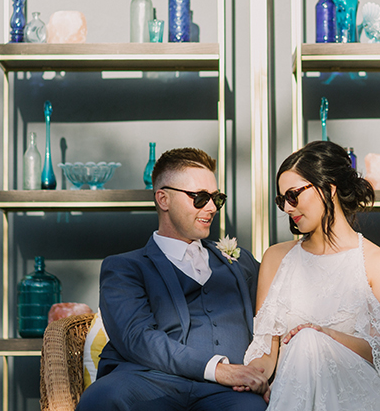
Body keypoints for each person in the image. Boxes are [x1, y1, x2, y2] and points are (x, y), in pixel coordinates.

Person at [76, 147, 268, 411]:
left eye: (216, 198)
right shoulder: (124, 267)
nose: (211, 208)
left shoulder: (239, 261)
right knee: (102, 399)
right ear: (163, 199)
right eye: (199, 198)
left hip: (229, 392)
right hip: (147, 381)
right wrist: (218, 369)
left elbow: (278, 308)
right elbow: (137, 338)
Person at [243, 140, 380, 410]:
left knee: (308, 339)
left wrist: (324, 334)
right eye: (281, 199)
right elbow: (265, 348)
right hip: (291, 387)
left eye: (293, 195)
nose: (287, 208)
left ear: (328, 189)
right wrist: (250, 376)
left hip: (356, 390)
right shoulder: (276, 258)